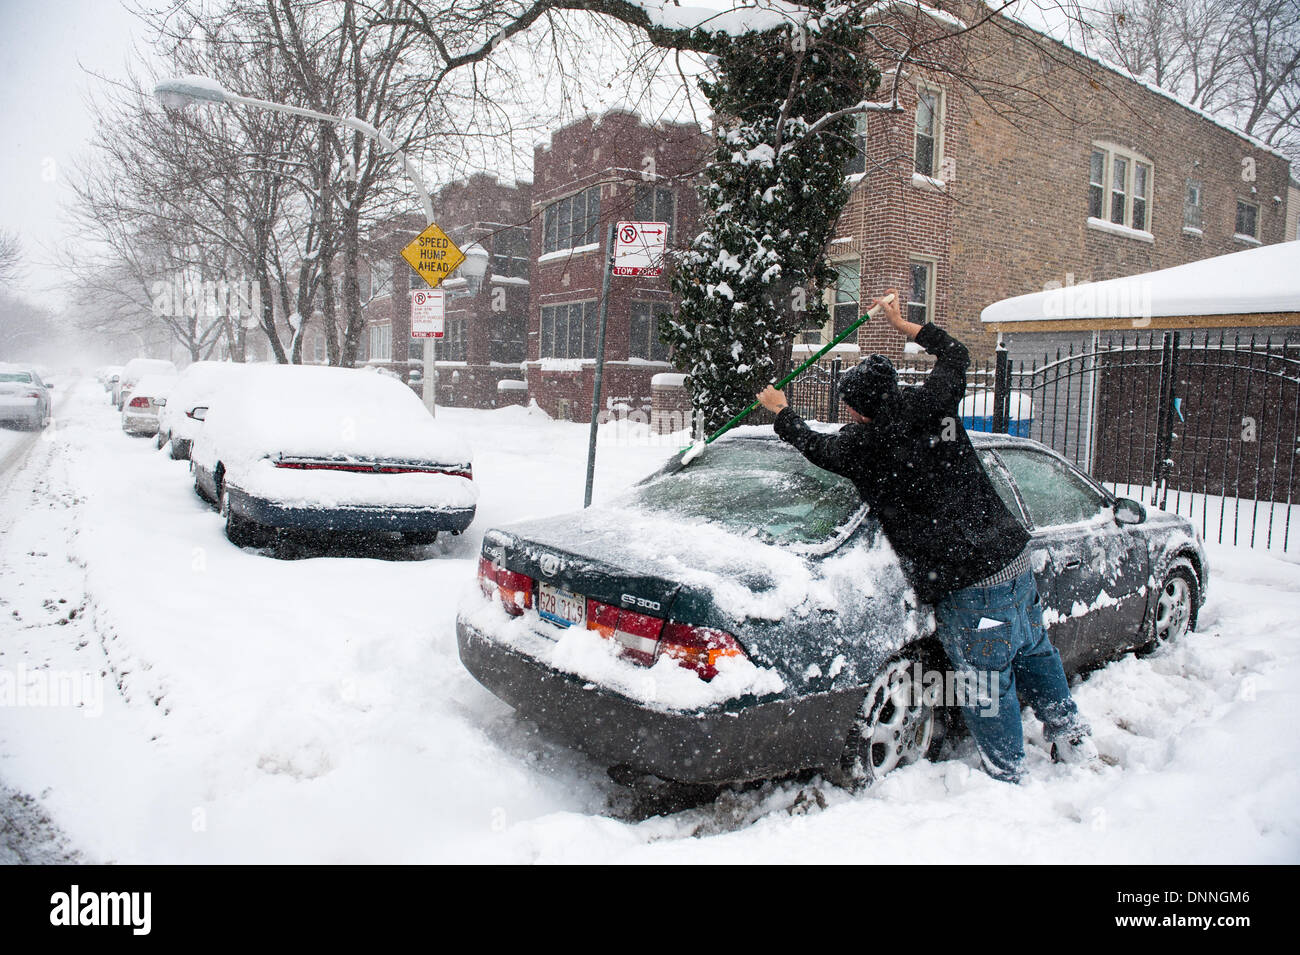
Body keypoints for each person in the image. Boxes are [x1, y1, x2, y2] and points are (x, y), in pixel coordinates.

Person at [756, 289, 1097, 782]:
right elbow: (956, 354)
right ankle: (1071, 736)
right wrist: (904, 324)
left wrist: (782, 411)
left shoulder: (868, 445)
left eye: (850, 408)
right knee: (1036, 651)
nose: (849, 416)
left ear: (859, 410)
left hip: (969, 586)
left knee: (987, 684)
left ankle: (1009, 776)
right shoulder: (935, 404)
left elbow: (816, 448)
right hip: (1012, 559)